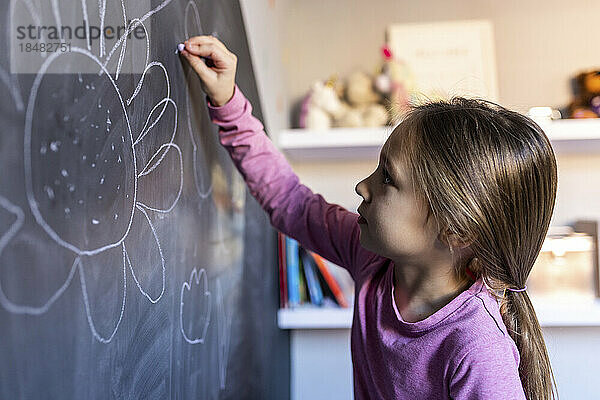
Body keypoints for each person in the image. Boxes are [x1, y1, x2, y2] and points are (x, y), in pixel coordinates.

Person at [179, 35, 559, 400]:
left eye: (388, 179)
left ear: (456, 228)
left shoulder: (478, 349)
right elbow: (290, 201)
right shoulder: (375, 263)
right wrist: (228, 101)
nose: (363, 186)